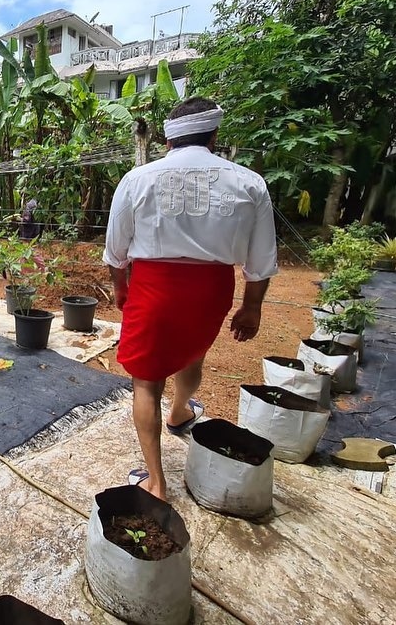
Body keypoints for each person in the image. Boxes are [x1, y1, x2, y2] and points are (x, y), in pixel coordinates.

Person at [102, 96, 278, 501]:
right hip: (211, 289)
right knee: (192, 354)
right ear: (215, 136)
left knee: (146, 383)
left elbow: (116, 249)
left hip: (154, 286)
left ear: (167, 141)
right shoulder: (249, 182)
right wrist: (252, 307)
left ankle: (157, 483)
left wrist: (121, 287)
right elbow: (261, 258)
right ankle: (180, 413)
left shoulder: (138, 179)